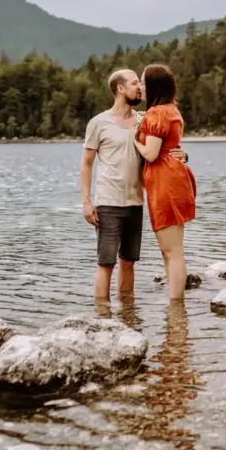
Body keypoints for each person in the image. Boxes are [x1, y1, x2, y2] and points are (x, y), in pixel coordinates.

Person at [81, 69, 186, 304]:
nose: (139, 87)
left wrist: (184, 155)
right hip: (108, 202)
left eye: (141, 82)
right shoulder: (98, 123)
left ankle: (128, 313)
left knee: (129, 261)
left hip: (136, 202)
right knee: (105, 263)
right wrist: (86, 202)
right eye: (134, 83)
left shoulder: (144, 119)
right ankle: (102, 315)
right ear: (120, 89)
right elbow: (86, 163)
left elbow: (166, 145)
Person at [133, 64, 197, 302]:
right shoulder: (171, 109)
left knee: (172, 251)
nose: (140, 86)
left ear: (153, 86)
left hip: (165, 181)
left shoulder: (157, 113)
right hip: (173, 178)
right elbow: (170, 146)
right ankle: (175, 304)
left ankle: (176, 306)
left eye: (142, 82)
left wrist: (134, 140)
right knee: (171, 249)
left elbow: (151, 154)